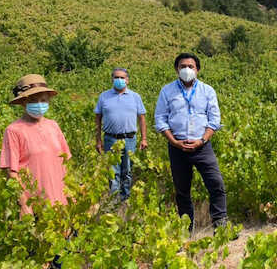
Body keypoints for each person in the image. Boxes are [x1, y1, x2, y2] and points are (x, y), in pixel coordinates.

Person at [154, 52, 227, 232]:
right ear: (176, 69)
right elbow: (160, 119)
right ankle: (186, 229)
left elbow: (214, 120)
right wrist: (174, 142)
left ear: (198, 70)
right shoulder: (167, 91)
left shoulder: (207, 91)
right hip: (177, 147)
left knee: (216, 183)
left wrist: (202, 140)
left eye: (190, 67)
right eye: (182, 67)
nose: (187, 70)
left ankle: (220, 225)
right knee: (182, 190)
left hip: (202, 146)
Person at [0, 74, 71, 217]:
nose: (39, 104)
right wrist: (24, 204)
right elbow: (11, 172)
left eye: (43, 100)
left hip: (61, 201)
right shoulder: (14, 130)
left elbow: (66, 162)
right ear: (23, 102)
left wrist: (71, 192)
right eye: (33, 100)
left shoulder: (53, 126)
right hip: (35, 204)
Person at [95, 68, 148, 201]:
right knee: (113, 171)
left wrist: (144, 138)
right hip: (110, 139)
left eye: (122, 77)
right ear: (112, 79)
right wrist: (98, 140)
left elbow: (142, 118)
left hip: (130, 139)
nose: (119, 80)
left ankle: (125, 199)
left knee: (127, 170)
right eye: (116, 77)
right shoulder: (104, 96)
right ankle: (113, 201)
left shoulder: (135, 97)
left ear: (127, 80)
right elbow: (98, 119)